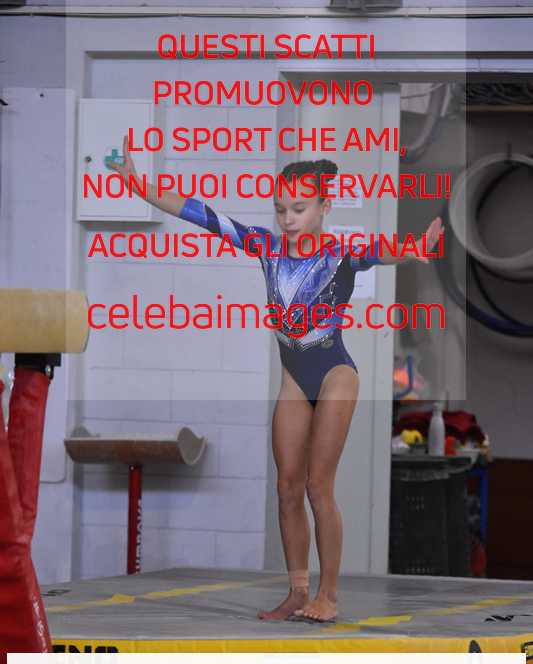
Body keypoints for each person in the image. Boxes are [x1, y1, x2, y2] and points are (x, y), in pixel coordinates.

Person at [109, 135, 443, 623]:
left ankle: (328, 595)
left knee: (317, 486)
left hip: (334, 375)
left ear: (324, 207)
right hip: (294, 380)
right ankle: (297, 591)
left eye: (299, 209)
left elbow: (381, 251)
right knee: (287, 487)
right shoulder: (265, 246)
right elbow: (201, 214)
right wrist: (140, 187)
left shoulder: (340, 252)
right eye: (281, 209)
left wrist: (413, 249)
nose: (288, 218)